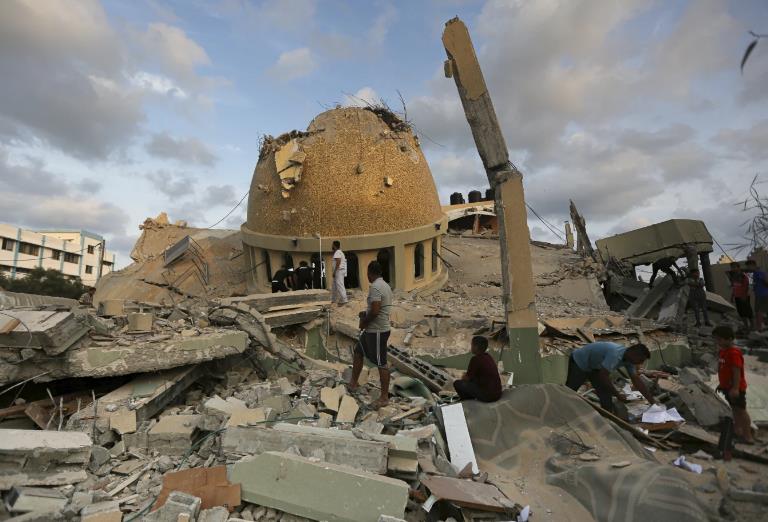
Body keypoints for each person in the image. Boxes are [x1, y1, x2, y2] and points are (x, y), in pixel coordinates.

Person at [348, 261, 392, 408]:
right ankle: (353, 383)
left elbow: (375, 311)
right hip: (372, 330)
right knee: (358, 352)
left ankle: (384, 397)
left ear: (370, 272)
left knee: (381, 362)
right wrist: (365, 314)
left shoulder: (375, 287)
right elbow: (375, 308)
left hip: (377, 330)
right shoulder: (385, 285)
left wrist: (364, 322)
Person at [565, 341, 655, 412]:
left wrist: (652, 402)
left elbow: (636, 380)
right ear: (634, 354)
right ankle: (561, 412)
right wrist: (618, 395)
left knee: (605, 396)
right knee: (570, 391)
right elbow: (604, 376)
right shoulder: (615, 353)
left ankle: (608, 419)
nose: (640, 363)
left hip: (596, 367)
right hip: (580, 361)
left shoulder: (629, 361)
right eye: (640, 360)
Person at [713, 325, 754, 444]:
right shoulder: (722, 352)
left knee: (741, 410)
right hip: (727, 388)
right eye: (716, 339)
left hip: (736, 388)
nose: (718, 342)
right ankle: (738, 433)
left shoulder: (734, 353)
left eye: (720, 339)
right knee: (735, 410)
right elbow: (723, 369)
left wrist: (735, 388)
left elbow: (737, 372)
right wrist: (722, 384)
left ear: (729, 339)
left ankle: (748, 436)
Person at [453, 336, 502, 402]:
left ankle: (467, 401)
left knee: (457, 383)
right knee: (472, 380)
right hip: (497, 394)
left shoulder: (475, 359)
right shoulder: (488, 356)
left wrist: (464, 376)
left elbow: (467, 378)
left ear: (475, 347)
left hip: (488, 396)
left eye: (472, 345)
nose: (471, 347)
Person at [729, 262, 753, 331]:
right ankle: (746, 326)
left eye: (734, 267)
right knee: (741, 312)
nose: (733, 269)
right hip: (737, 297)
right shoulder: (734, 277)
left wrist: (744, 296)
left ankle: (752, 326)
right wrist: (732, 296)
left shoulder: (743, 276)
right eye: (732, 267)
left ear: (738, 267)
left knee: (748, 312)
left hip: (744, 296)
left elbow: (746, 286)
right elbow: (734, 287)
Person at [747, 260, 768, 331]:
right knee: (759, 311)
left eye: (749, 266)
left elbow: (766, 281)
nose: (748, 268)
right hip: (759, 294)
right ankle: (761, 326)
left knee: (759, 311)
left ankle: (759, 327)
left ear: (753, 265)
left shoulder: (759, 272)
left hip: (762, 294)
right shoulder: (755, 273)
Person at [331, 241, 348, 305]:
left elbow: (338, 261)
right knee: (334, 286)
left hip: (339, 270)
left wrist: (335, 271)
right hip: (340, 270)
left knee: (340, 285)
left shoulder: (337, 252)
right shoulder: (339, 252)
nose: (331, 246)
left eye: (332, 245)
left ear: (334, 246)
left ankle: (344, 300)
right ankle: (334, 299)